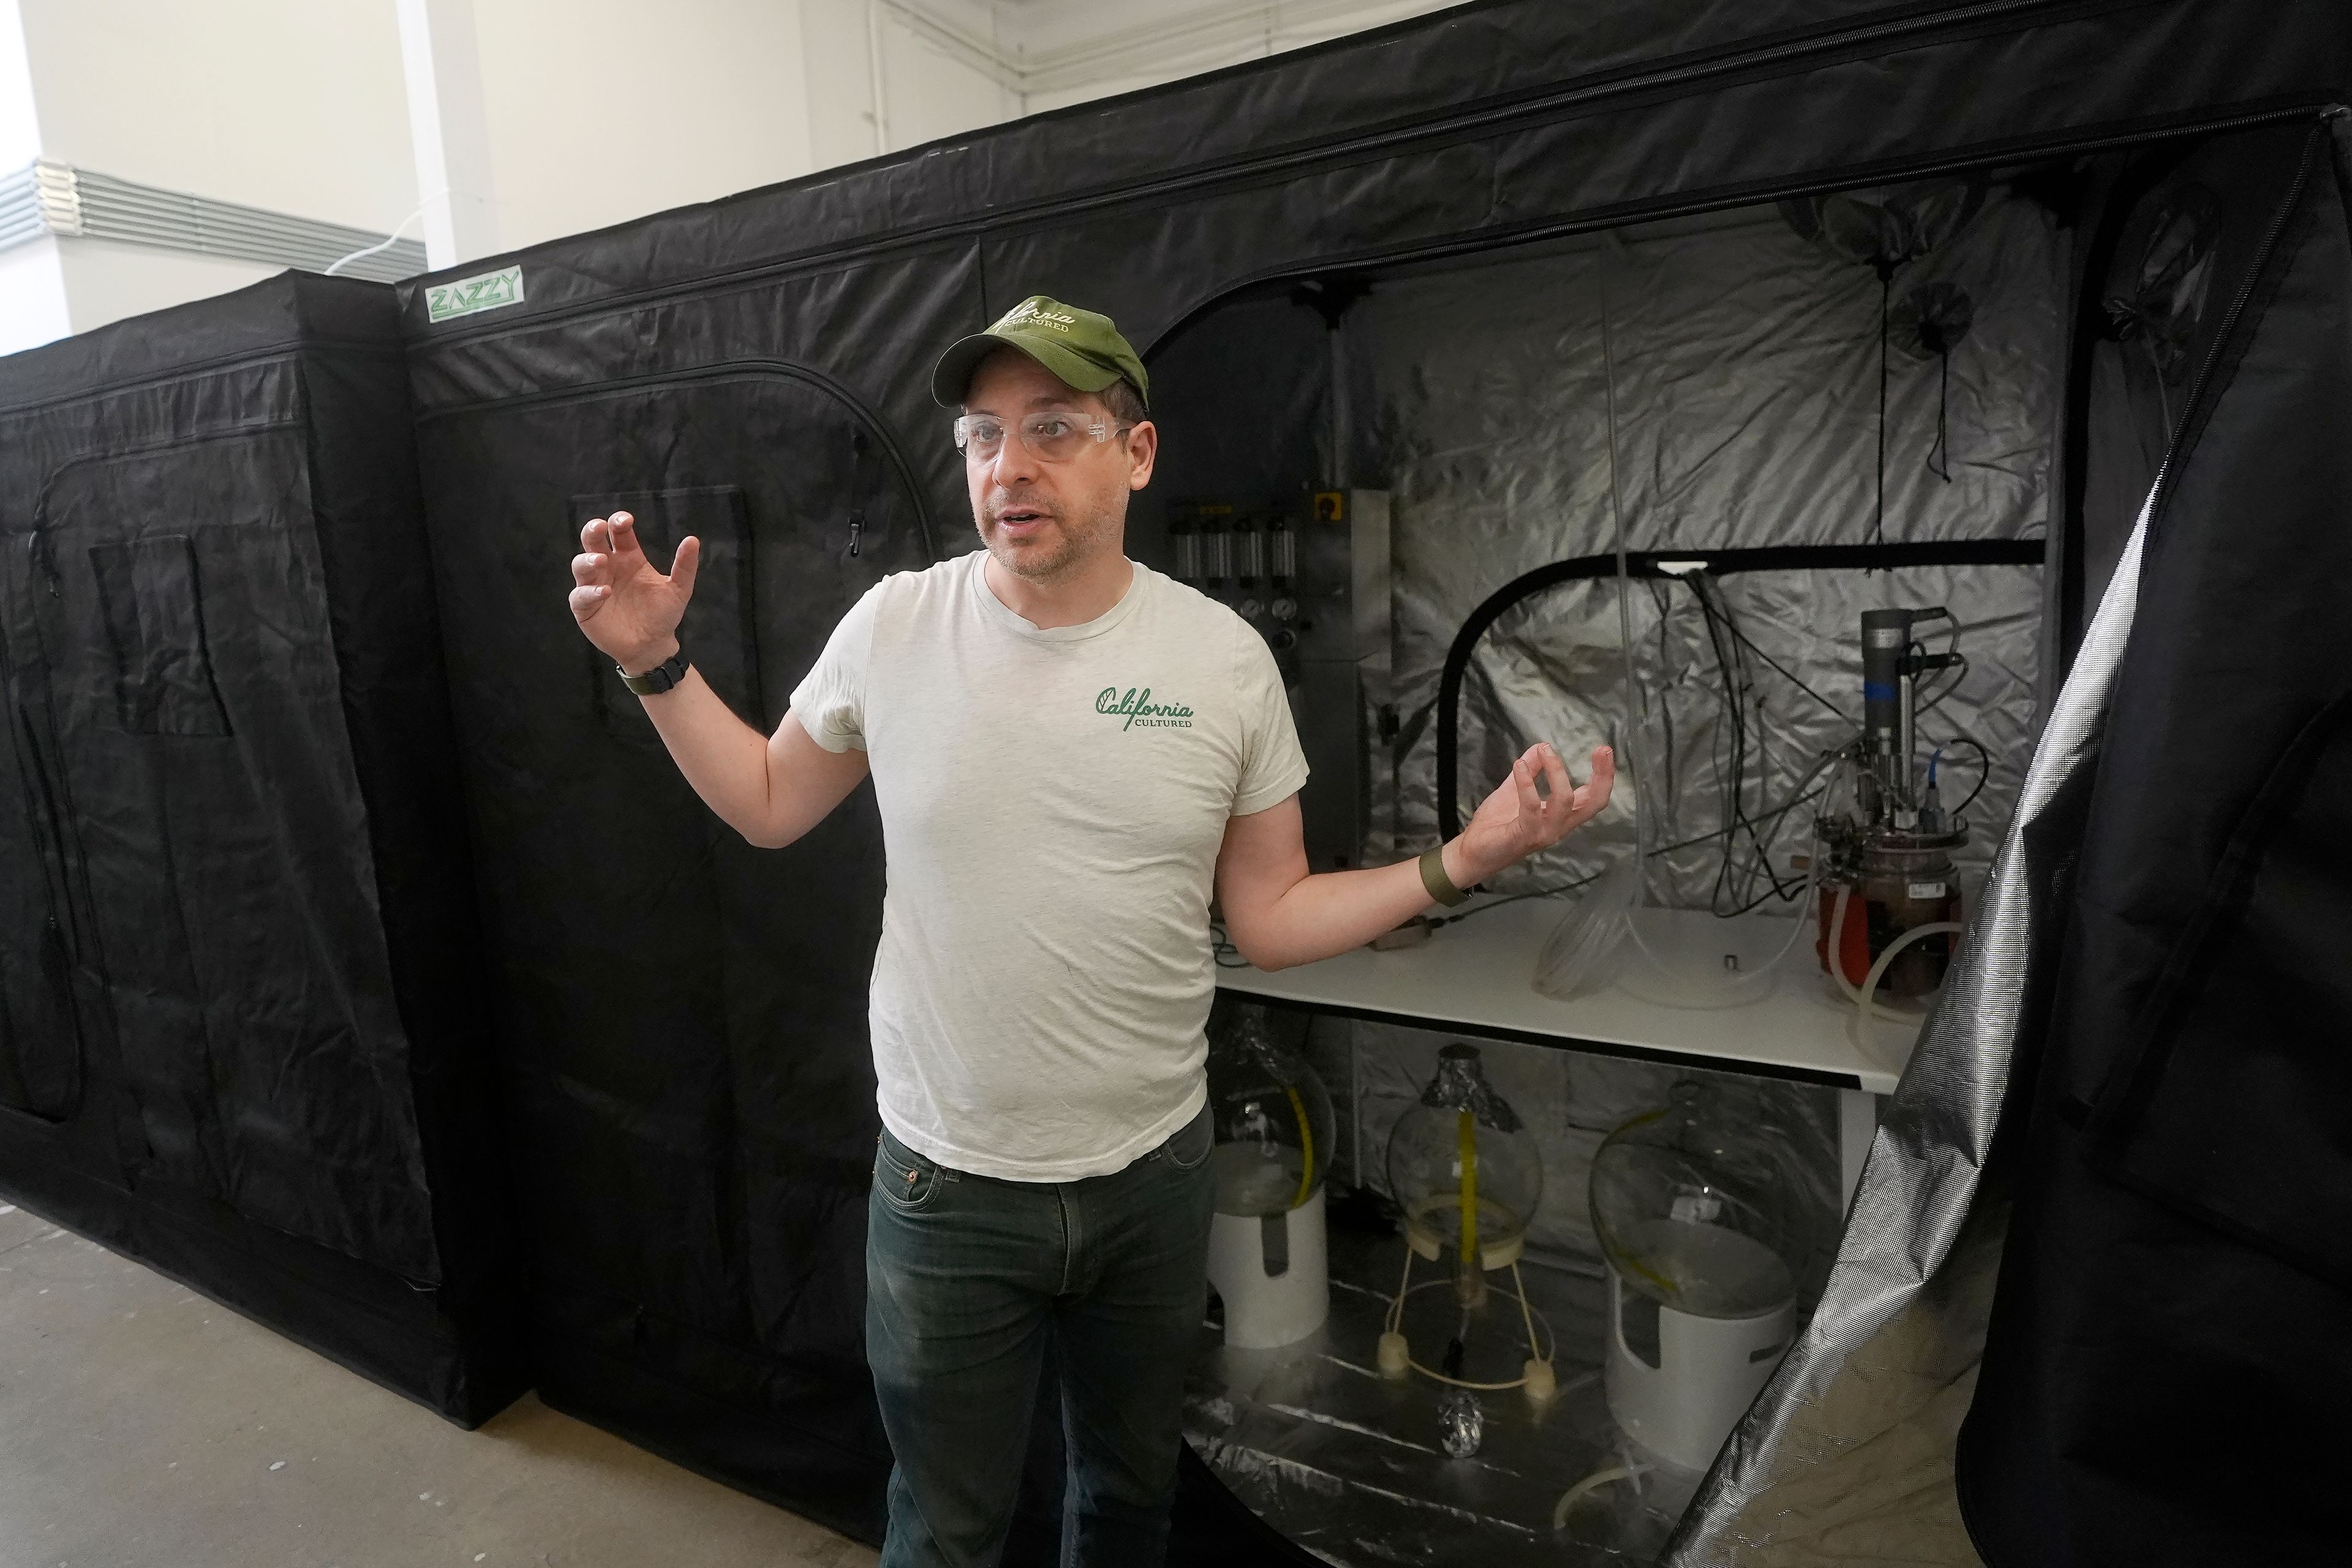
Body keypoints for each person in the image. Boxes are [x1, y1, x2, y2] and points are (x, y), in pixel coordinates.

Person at [565, 295, 1615, 1567]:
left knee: (1124, 1507)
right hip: (948, 1187)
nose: (1010, 467)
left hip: (1149, 1184)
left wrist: (1463, 859)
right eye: (984, 436)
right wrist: (659, 667)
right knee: (945, 1527)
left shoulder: (1220, 661)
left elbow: (1271, 916)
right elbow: (774, 802)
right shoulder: (897, 627)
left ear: (1138, 452)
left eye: (1054, 428)